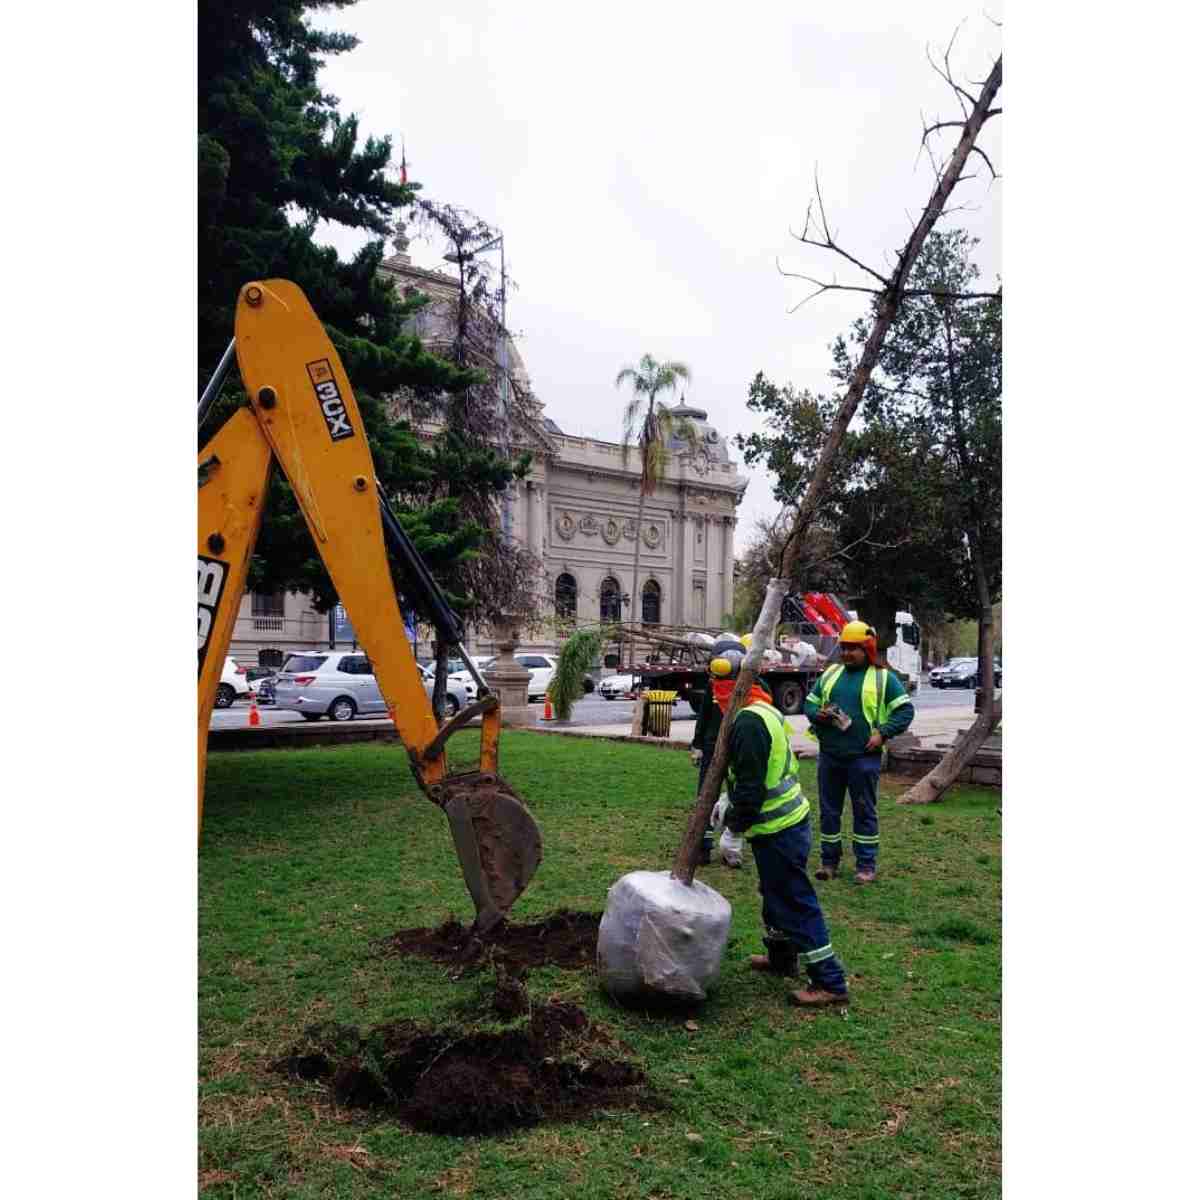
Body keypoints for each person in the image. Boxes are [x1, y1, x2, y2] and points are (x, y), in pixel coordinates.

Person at [707, 641, 850, 1008]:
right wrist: (729, 798)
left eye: (715, 687)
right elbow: (753, 775)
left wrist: (733, 831)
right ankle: (781, 957)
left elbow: (754, 789)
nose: (713, 697)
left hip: (780, 828)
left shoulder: (749, 723)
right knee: (774, 897)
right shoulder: (761, 708)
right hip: (784, 825)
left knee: (794, 902)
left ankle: (829, 981)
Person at [804, 620, 915, 884]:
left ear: (868, 649)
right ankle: (828, 862)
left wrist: (883, 733)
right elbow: (809, 704)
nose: (846, 653)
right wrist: (817, 715)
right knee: (829, 811)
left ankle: (866, 865)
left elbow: (905, 711)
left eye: (853, 648)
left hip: (863, 758)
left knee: (864, 811)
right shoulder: (831, 674)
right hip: (830, 756)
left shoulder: (883, 677)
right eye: (843, 648)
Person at [690, 640, 744, 868]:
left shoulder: (748, 688)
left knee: (737, 798)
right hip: (712, 749)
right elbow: (703, 717)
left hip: (738, 750)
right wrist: (697, 745)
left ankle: (731, 848)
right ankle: (703, 847)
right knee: (706, 798)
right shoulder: (714, 686)